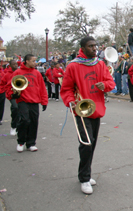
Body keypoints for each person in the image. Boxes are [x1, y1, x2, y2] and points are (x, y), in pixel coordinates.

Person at [60, 36, 115, 194]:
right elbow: (66, 88)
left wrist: (104, 85)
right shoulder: (73, 66)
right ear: (82, 48)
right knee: (86, 143)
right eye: (91, 46)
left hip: (96, 109)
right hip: (81, 109)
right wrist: (70, 101)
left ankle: (85, 173)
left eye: (95, 46)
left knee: (92, 144)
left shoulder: (99, 64)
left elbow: (111, 83)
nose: (94, 49)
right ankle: (84, 178)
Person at [5, 54, 48, 153]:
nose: (35, 62)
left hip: (35, 101)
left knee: (33, 122)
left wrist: (44, 101)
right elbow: (9, 86)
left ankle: (31, 143)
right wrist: (12, 94)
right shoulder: (18, 72)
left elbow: (42, 88)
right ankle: (21, 142)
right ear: (27, 61)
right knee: (24, 121)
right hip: (22, 100)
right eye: (33, 61)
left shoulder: (37, 73)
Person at [0, 60, 19, 134]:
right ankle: (13, 126)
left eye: (16, 64)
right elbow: (2, 84)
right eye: (14, 64)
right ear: (10, 66)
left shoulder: (20, 72)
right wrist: (6, 91)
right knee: (15, 107)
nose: (16, 65)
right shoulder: (7, 74)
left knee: (20, 110)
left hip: (21, 94)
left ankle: (19, 126)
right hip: (11, 94)